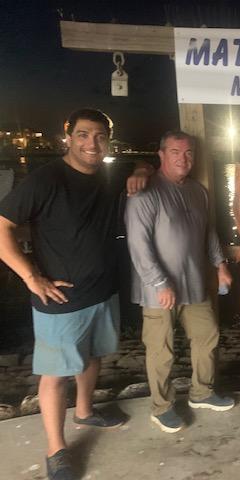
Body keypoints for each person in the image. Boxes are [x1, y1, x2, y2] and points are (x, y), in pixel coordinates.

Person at [0, 108, 152, 480]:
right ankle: (56, 450)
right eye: (83, 135)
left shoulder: (109, 173)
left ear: (108, 140)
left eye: (100, 136)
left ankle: (85, 410)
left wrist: (143, 170)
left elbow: (145, 162)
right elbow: (2, 228)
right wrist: (31, 277)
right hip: (60, 300)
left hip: (102, 290)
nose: (92, 143)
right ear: (67, 136)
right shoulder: (45, 179)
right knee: (55, 375)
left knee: (94, 356)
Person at [125, 130, 234, 434]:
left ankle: (202, 392)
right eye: (175, 152)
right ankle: (162, 408)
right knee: (161, 350)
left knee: (208, 335)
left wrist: (220, 264)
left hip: (195, 283)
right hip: (157, 290)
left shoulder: (198, 191)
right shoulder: (144, 193)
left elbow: (208, 232)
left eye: (188, 153)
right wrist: (159, 283)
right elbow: (138, 245)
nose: (183, 159)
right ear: (161, 155)